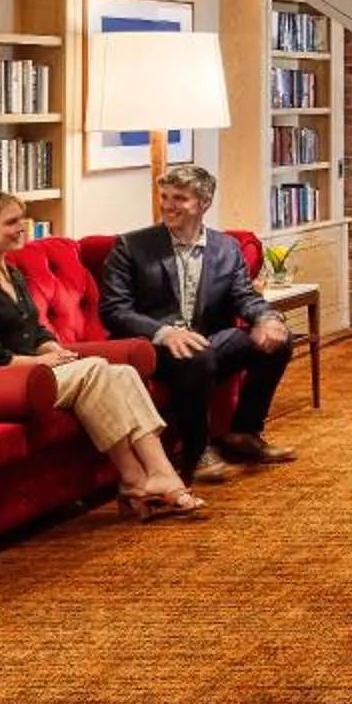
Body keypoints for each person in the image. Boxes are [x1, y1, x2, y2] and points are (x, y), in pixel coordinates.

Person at [0, 189, 204, 519]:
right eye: (12, 222)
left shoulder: (10, 273)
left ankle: (142, 479)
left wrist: (50, 347)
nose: (22, 227)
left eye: (23, 219)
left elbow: (33, 330)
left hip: (24, 372)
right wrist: (37, 362)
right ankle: (147, 478)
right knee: (94, 370)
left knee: (122, 372)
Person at [98, 165, 295, 486]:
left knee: (279, 340)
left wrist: (267, 318)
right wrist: (165, 332)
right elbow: (114, 310)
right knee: (196, 353)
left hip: (207, 340)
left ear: (203, 203)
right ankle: (197, 453)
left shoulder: (226, 248)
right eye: (165, 197)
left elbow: (243, 296)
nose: (168, 205)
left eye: (180, 198)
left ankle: (243, 432)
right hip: (152, 346)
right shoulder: (131, 247)